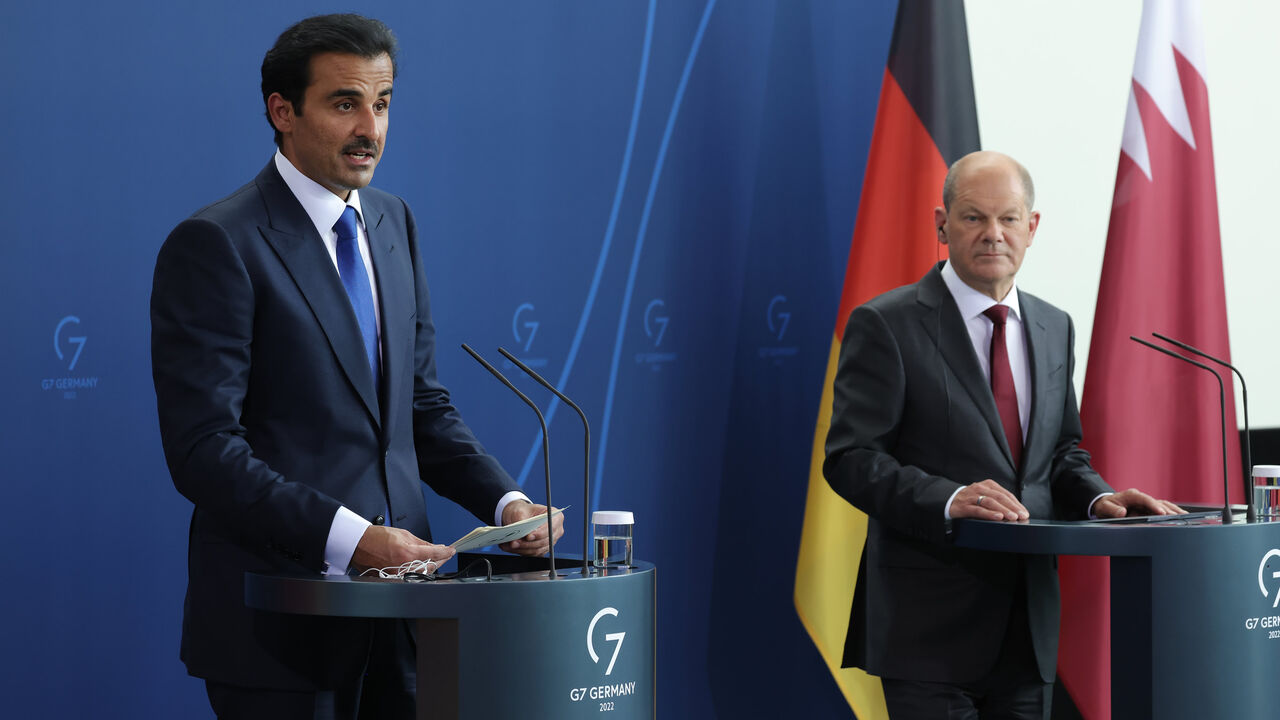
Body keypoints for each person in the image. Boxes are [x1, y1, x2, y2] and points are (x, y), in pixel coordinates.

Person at [150, 14, 563, 719]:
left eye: (383, 103)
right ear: (282, 111)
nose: (370, 127)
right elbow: (204, 452)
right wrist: (352, 539)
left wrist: (505, 505)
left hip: (408, 625)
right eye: (345, 103)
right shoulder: (218, 243)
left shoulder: (391, 222)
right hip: (284, 628)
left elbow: (419, 407)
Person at [823, 150, 1181, 719]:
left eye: (1009, 218)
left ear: (1031, 227)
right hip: (928, 633)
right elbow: (850, 458)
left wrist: (1098, 496)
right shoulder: (886, 324)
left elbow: (1059, 451)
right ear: (942, 224)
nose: (993, 234)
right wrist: (947, 498)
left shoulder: (1052, 324)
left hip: (1027, 633)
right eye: (973, 217)